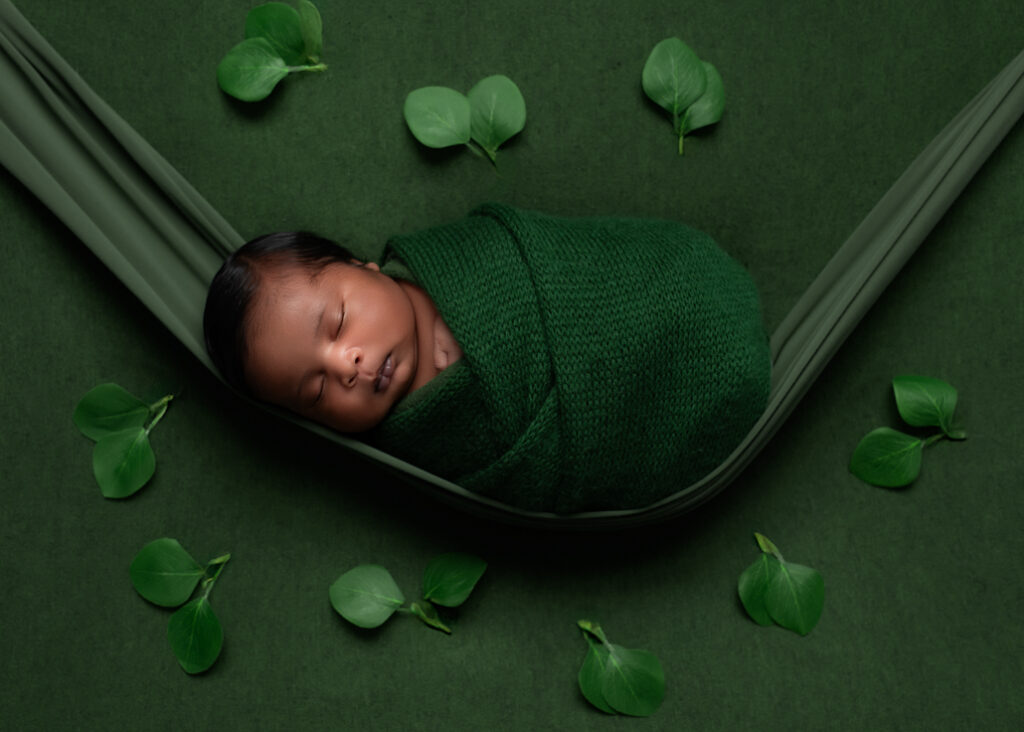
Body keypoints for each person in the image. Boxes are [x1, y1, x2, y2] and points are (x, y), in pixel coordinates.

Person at [205, 203, 771, 513]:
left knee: (673, 305)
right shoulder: (407, 452)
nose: (346, 364)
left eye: (338, 323)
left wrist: (475, 324)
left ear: (365, 267)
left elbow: (555, 255)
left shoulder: (459, 258)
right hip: (614, 419)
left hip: (650, 285)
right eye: (317, 392)